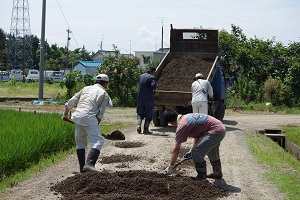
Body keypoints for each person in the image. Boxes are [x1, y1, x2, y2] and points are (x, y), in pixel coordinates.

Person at [62, 74, 110, 173]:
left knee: (80, 142)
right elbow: (100, 113)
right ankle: (89, 164)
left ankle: (82, 168)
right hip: (89, 117)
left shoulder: (86, 88)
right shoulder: (104, 93)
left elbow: (72, 101)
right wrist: (95, 125)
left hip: (77, 116)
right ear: (105, 83)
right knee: (98, 141)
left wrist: (65, 114)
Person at [163, 108, 226, 180]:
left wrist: (170, 166)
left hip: (215, 131)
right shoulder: (187, 117)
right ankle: (217, 173)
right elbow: (197, 135)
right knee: (212, 151)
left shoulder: (182, 125)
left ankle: (201, 177)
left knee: (196, 152)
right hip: (220, 128)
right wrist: (191, 149)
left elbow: (176, 149)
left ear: (170, 122)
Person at [184, 73, 214, 158]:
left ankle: (196, 134)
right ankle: (202, 138)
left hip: (194, 102)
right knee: (204, 120)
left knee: (196, 120)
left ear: (195, 78)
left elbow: (193, 92)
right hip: (203, 101)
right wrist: (211, 96)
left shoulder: (193, 84)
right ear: (202, 77)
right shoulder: (206, 82)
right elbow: (210, 93)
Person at [136, 66, 157, 134]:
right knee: (149, 114)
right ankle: (145, 129)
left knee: (140, 113)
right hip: (148, 99)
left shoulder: (141, 76)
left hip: (140, 98)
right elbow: (153, 86)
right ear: (153, 72)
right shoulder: (152, 77)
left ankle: (138, 125)